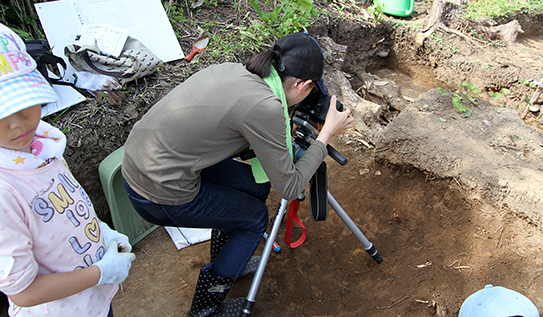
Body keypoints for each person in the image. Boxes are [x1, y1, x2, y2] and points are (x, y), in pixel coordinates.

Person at [121, 31, 354, 317]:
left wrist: (280, 133)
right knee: (254, 219)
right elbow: (291, 188)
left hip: (143, 162)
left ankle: (230, 257)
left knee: (255, 188)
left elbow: (237, 127)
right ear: (303, 84)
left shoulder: (234, 71)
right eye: (311, 91)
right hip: (158, 192)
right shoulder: (266, 107)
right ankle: (207, 310)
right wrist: (326, 133)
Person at [0, 23, 136, 317]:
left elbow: (64, 207)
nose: (19, 121)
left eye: (25, 101)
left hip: (90, 301)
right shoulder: (4, 193)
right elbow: (24, 292)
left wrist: (101, 234)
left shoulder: (41, 146)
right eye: (2, 111)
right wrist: (100, 273)